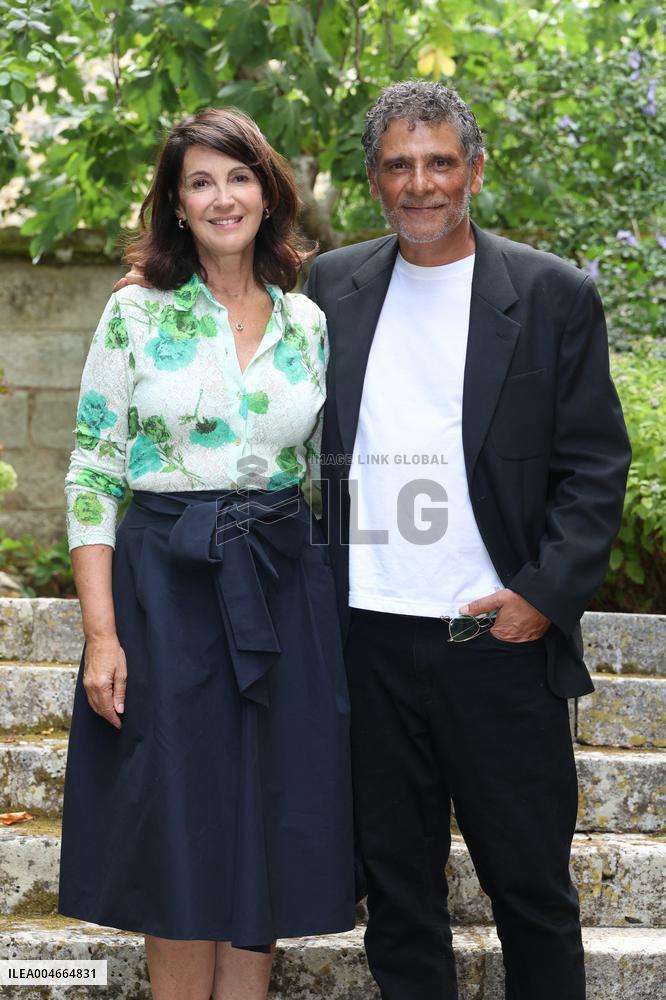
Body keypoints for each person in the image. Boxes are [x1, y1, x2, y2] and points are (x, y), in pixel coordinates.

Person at [304, 81, 631, 1000]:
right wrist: (156, 284)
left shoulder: (552, 294)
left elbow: (595, 465)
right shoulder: (333, 286)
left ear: (475, 169)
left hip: (488, 636)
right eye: (400, 165)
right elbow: (246, 339)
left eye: (440, 161)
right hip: (365, 634)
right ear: (374, 179)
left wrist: (539, 595)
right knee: (399, 898)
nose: (421, 183)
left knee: (530, 888)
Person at [58, 107, 355, 1000]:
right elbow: (92, 470)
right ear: (177, 207)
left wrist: (334, 607)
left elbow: (325, 478)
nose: (222, 196)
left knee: (265, 820)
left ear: (268, 194)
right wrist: (102, 637)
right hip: (165, 591)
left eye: (238, 177)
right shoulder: (133, 315)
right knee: (179, 828)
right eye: (200, 181)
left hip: (281, 591)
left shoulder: (308, 321)